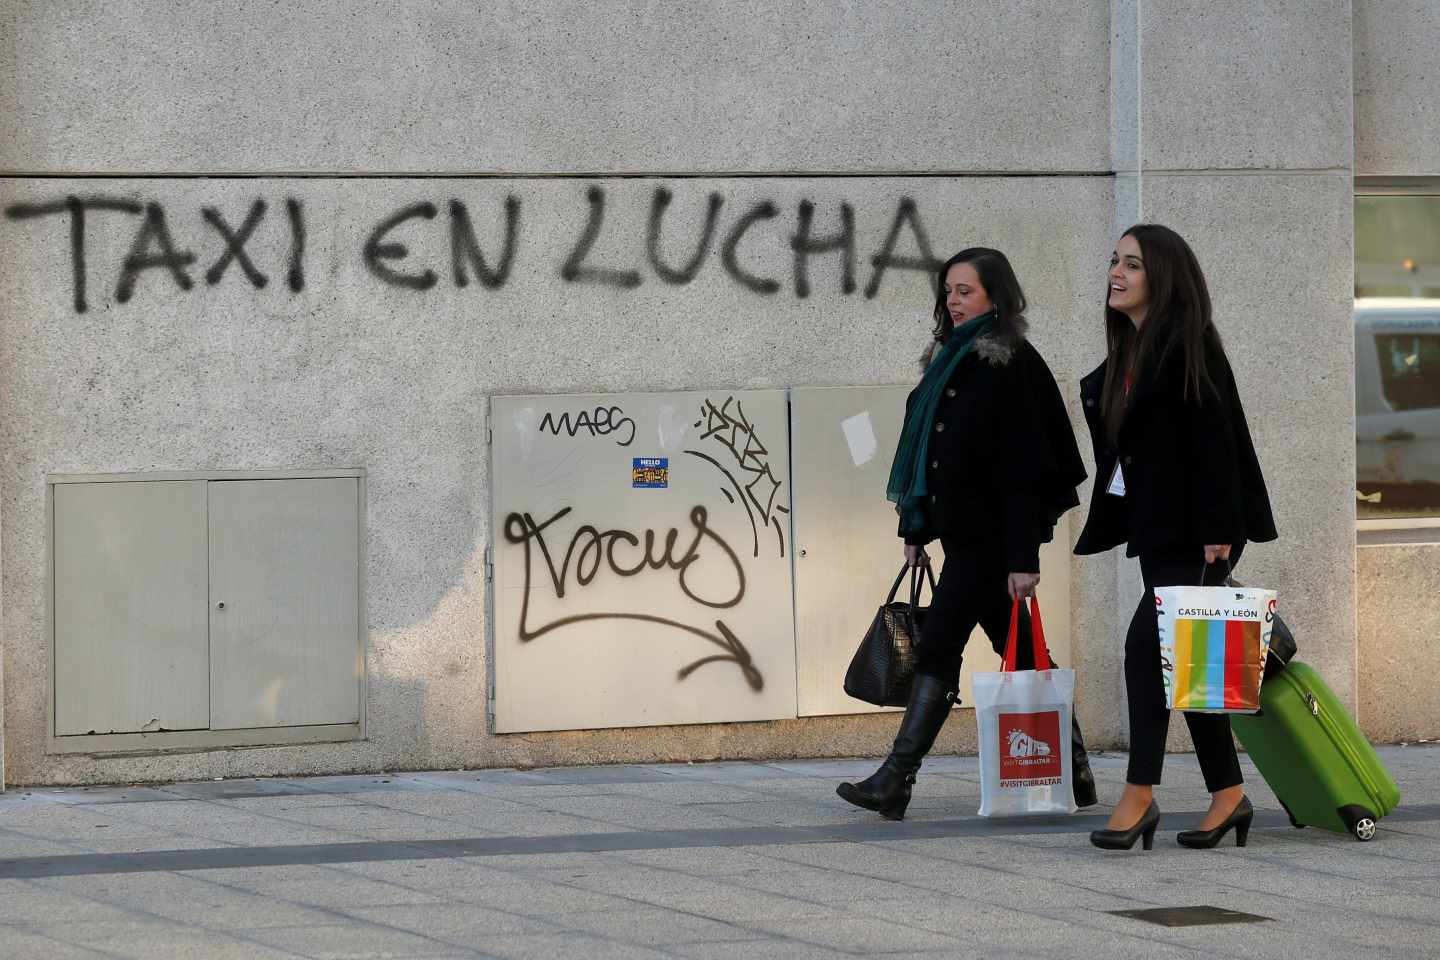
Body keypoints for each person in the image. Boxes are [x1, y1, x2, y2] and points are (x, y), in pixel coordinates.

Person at [837, 247, 1095, 821]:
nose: (953, 302)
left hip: (993, 539)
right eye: (949, 291)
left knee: (938, 645)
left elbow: (1027, 465)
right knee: (1020, 649)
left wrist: (1023, 556)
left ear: (995, 297)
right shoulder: (949, 359)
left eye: (966, 292)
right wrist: (915, 525)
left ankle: (895, 779)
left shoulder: (1011, 361)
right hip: (962, 535)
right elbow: (930, 452)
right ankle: (1075, 770)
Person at [1075, 224, 1277, 851]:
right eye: (1115, 261)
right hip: (1158, 527)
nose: (1116, 273)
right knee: (1186, 660)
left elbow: (1216, 438)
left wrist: (1220, 528)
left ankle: (1139, 795)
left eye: (1132, 265)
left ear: (1163, 278)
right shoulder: (1130, 353)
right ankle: (1229, 795)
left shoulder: (1190, 345)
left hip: (1200, 531)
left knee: (1147, 650)